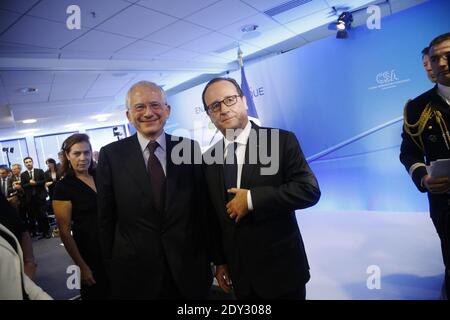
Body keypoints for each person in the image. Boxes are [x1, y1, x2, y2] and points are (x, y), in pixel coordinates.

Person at [201, 77, 321, 300]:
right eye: (215, 106)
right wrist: (220, 261)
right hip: (240, 275)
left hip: (282, 271)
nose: (224, 109)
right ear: (209, 114)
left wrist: (252, 200)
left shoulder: (280, 141)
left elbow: (309, 190)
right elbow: (212, 216)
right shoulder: (208, 160)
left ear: (244, 101)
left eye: (230, 100)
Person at [96, 81, 214, 299]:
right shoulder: (111, 156)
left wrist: (216, 257)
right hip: (135, 274)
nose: (148, 113)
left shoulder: (188, 148)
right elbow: (106, 218)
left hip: (189, 268)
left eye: (155, 105)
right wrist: (110, 267)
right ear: (128, 115)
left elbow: (202, 210)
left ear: (167, 110)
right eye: (139, 107)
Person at [400, 32, 450, 298]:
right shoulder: (417, 108)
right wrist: (423, 178)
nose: (441, 64)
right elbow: (408, 153)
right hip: (445, 201)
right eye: (434, 58)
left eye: (448, 56)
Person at [52, 134, 109, 300]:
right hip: (89, 250)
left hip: (115, 245)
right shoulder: (64, 187)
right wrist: (81, 266)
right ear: (68, 156)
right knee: (97, 293)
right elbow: (64, 231)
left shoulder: (102, 176)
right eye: (77, 154)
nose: (83, 158)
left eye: (86, 152)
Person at [20, 157, 51, 239]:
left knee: (43, 215)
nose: (28, 163)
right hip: (31, 198)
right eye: (26, 162)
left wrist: (35, 183)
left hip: (40, 196)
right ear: (25, 164)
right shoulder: (23, 174)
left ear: (32, 162)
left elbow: (44, 181)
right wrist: (30, 184)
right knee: (37, 216)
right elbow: (23, 185)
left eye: (30, 161)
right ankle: (42, 233)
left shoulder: (39, 171)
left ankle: (47, 231)